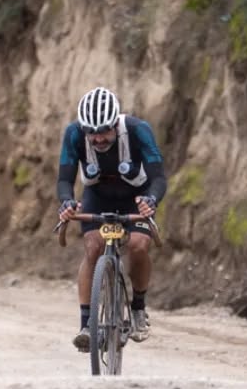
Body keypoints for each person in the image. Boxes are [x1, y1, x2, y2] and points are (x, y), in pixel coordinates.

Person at [57, 86, 167, 352]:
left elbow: (159, 178)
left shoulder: (138, 129)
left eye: (104, 130)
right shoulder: (74, 134)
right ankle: (86, 325)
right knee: (93, 248)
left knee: (139, 246)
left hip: (135, 195)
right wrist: (68, 202)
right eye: (91, 132)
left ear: (116, 123)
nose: (97, 139)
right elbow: (64, 179)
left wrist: (151, 200)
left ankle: (138, 307)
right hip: (97, 195)